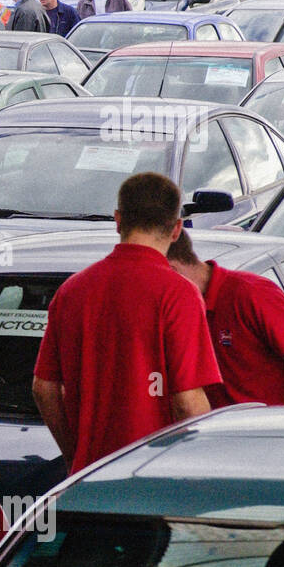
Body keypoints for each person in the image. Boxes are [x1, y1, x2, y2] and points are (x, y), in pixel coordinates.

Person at [32, 173, 222, 474]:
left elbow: (44, 388)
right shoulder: (178, 295)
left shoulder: (72, 290)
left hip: (89, 479)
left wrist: (75, 454)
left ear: (118, 220)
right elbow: (187, 401)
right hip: (156, 478)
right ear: (176, 229)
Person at [167, 229, 284, 408]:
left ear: (172, 271)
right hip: (223, 431)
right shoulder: (180, 311)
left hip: (273, 428)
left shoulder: (249, 292)